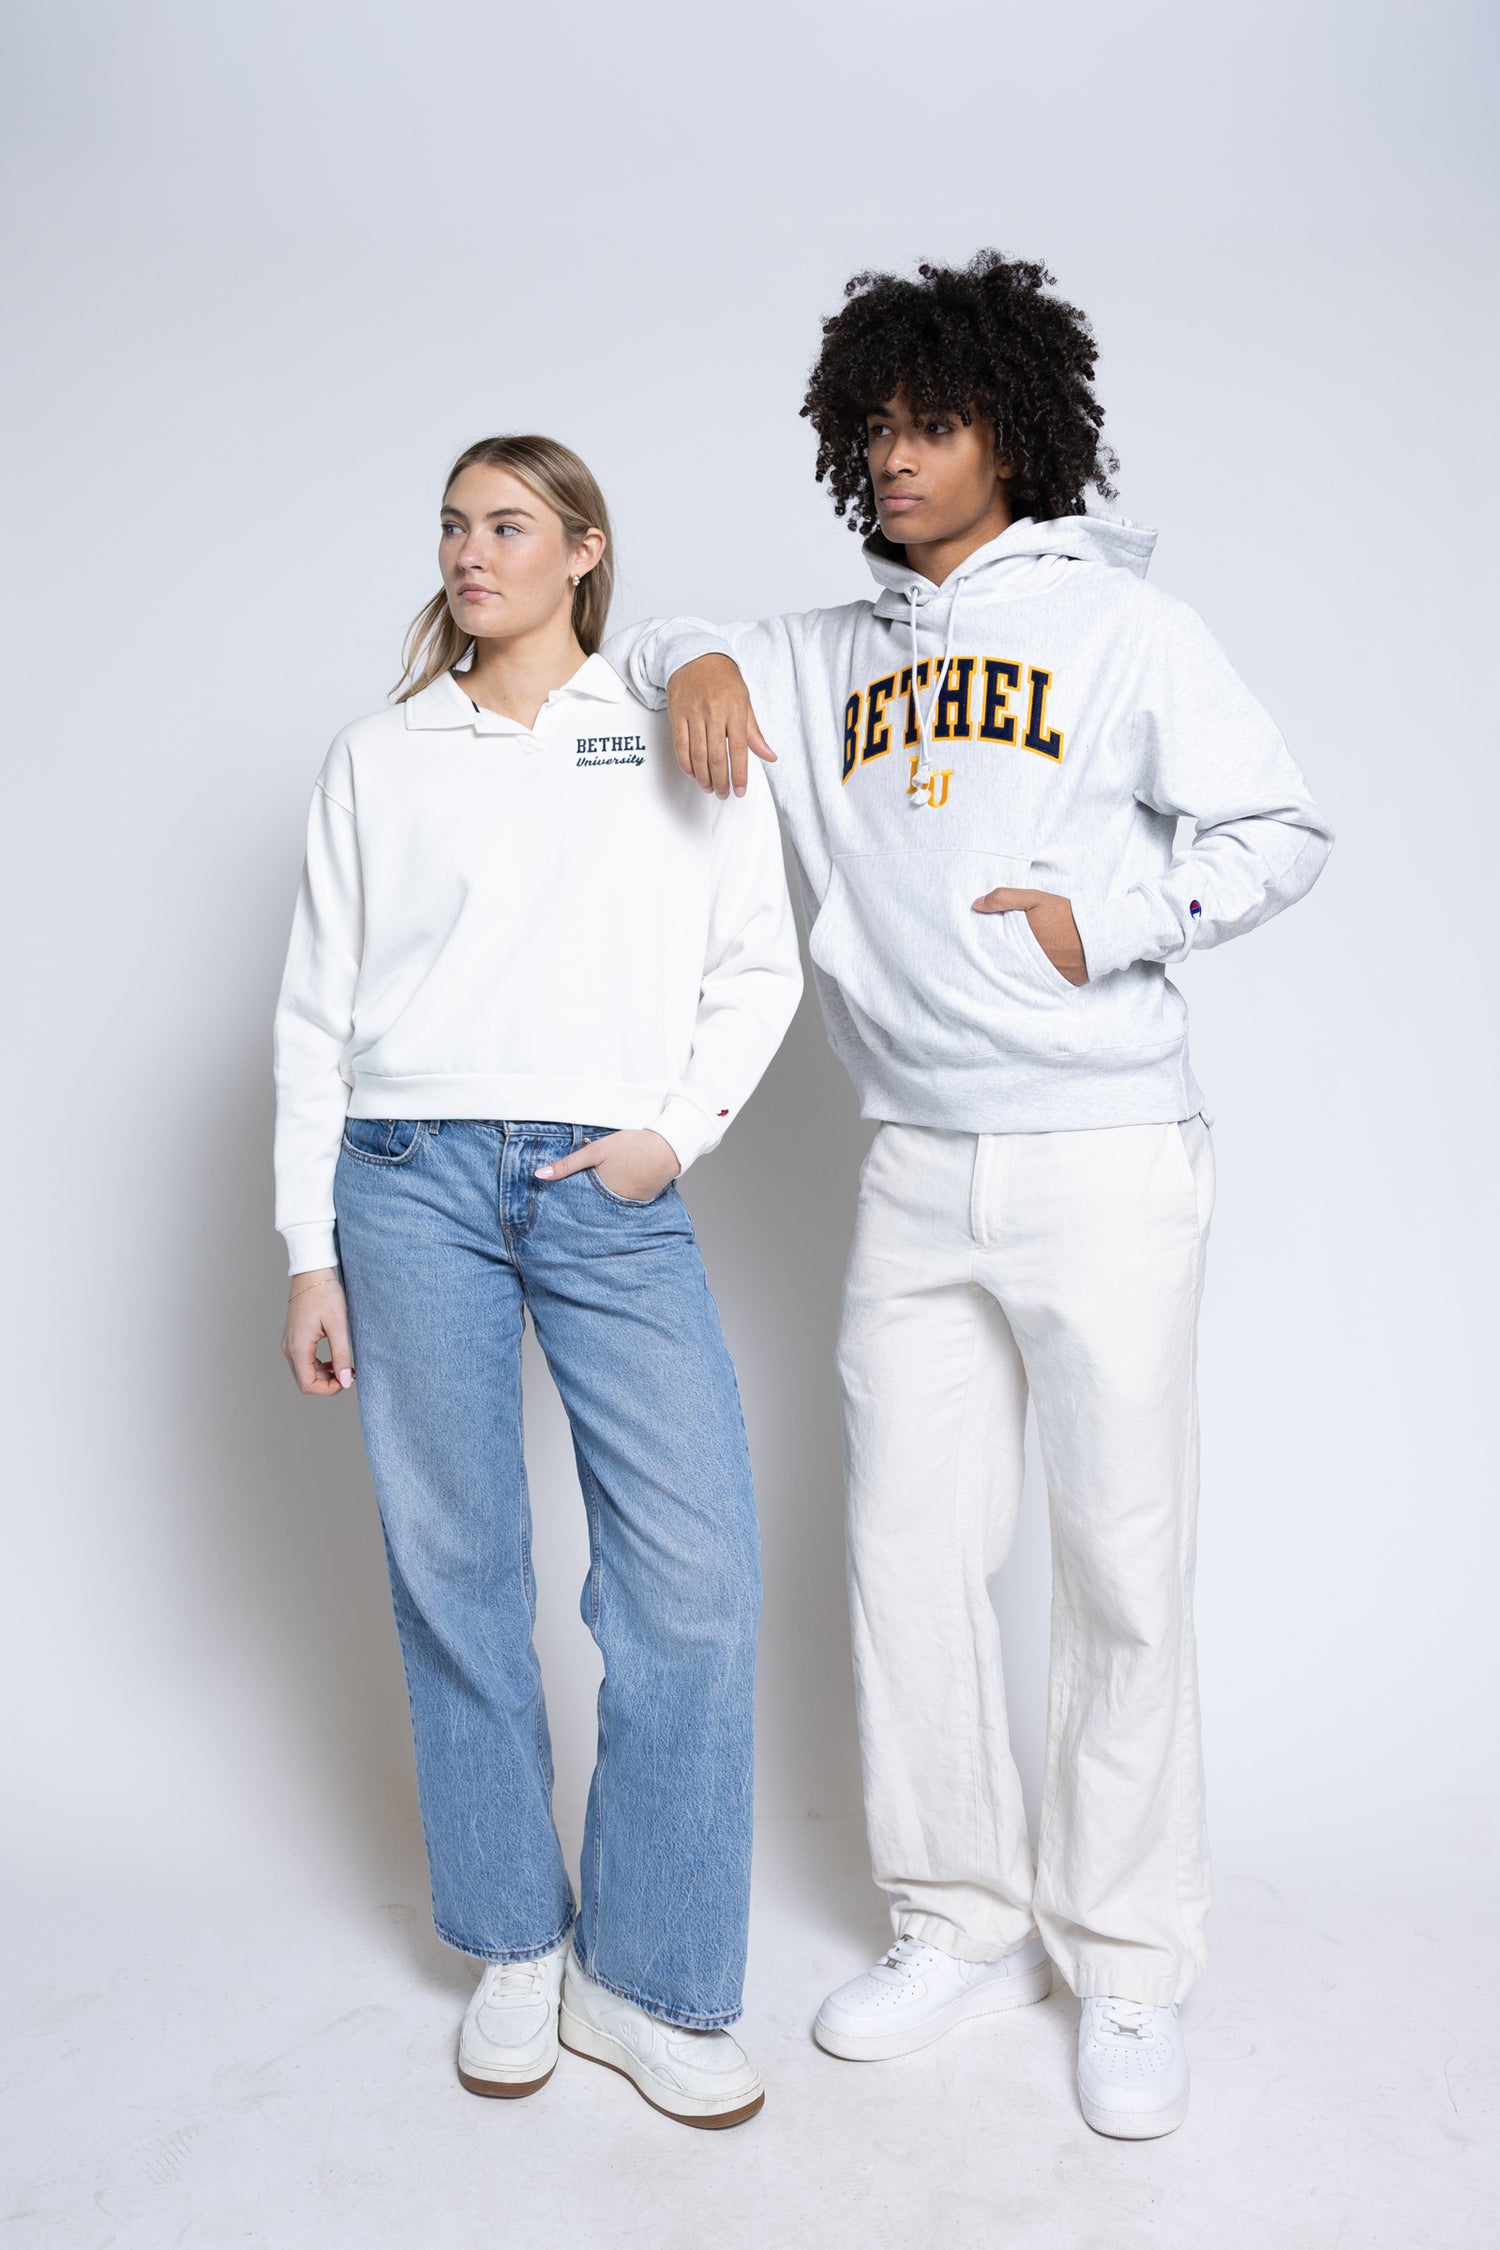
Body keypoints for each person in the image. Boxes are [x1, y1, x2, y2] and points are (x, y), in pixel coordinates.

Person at [608, 251, 1333, 2140]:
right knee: (910, 1558)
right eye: (873, 429)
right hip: (913, 1166)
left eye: (928, 423)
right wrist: (689, 649)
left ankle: (1130, 1961)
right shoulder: (827, 647)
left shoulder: (1123, 632)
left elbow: (1280, 829)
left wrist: (1119, 920)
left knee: (1119, 1561)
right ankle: (955, 1917)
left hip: (1106, 1149)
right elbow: (651, 633)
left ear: (1012, 426)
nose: (895, 456)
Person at [273, 433, 801, 2129]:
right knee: (457, 1565)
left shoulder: (665, 727)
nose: (468, 553)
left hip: (605, 1182)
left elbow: (757, 959)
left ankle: (641, 1973)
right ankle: (513, 1938)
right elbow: (311, 1012)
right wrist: (307, 1247)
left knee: (696, 1571)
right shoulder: (379, 755)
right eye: (450, 524)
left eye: (507, 526)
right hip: (406, 1181)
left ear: (584, 552)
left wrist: (670, 1138)